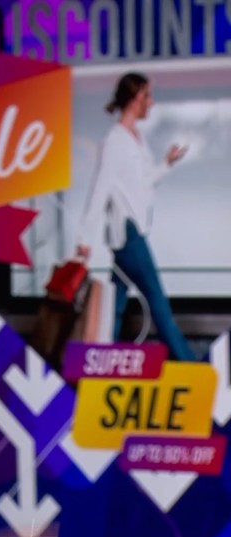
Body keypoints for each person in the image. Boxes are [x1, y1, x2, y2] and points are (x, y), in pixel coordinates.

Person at [75, 71, 194, 361]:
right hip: (127, 234)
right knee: (158, 303)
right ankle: (192, 365)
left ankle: (100, 362)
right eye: (147, 96)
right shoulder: (114, 142)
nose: (151, 102)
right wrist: (84, 238)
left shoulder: (136, 139)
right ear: (135, 99)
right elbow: (100, 189)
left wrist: (166, 163)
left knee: (114, 307)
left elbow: (142, 183)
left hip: (133, 231)